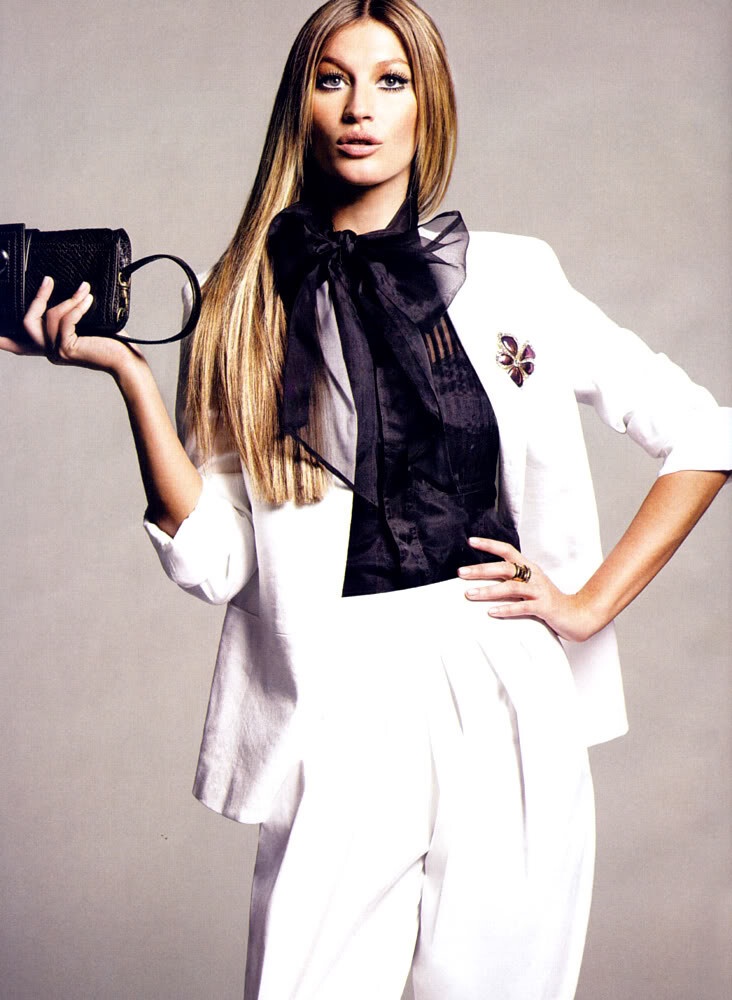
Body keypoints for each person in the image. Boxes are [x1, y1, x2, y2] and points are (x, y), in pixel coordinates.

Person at [2, 1, 729, 997]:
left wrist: (589, 603)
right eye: (332, 79)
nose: (360, 108)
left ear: (429, 105)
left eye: (392, 80)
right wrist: (130, 375)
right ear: (299, 104)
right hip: (337, 696)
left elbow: (704, 431)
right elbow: (218, 559)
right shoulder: (240, 299)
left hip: (504, 682)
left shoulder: (516, 275)